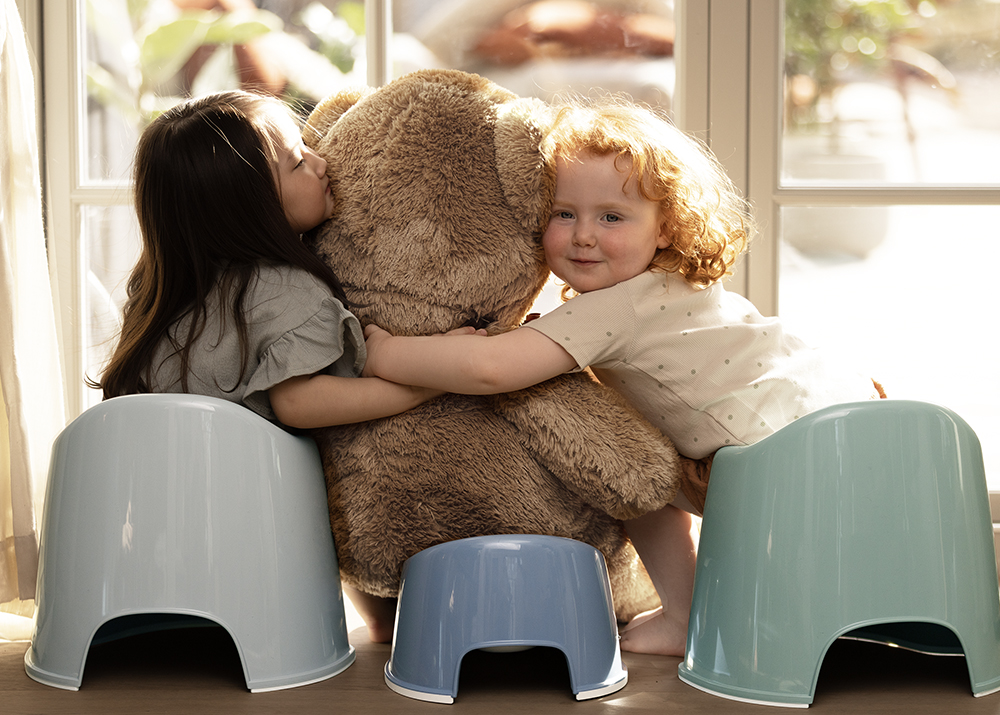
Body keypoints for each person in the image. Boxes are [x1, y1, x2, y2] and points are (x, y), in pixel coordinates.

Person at [362, 97, 882, 656]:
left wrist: (386, 353)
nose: (583, 235)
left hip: (774, 452)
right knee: (641, 466)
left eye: (611, 216)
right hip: (838, 402)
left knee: (631, 479)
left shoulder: (616, 308)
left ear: (666, 227)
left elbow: (493, 369)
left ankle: (685, 615)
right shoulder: (669, 284)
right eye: (564, 213)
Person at [95, 90, 445, 643]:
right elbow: (301, 403)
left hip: (151, 536)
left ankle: (374, 618)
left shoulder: (156, 296)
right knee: (332, 462)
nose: (323, 161)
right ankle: (380, 616)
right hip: (243, 529)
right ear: (251, 208)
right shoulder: (285, 290)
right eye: (300, 161)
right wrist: (418, 390)